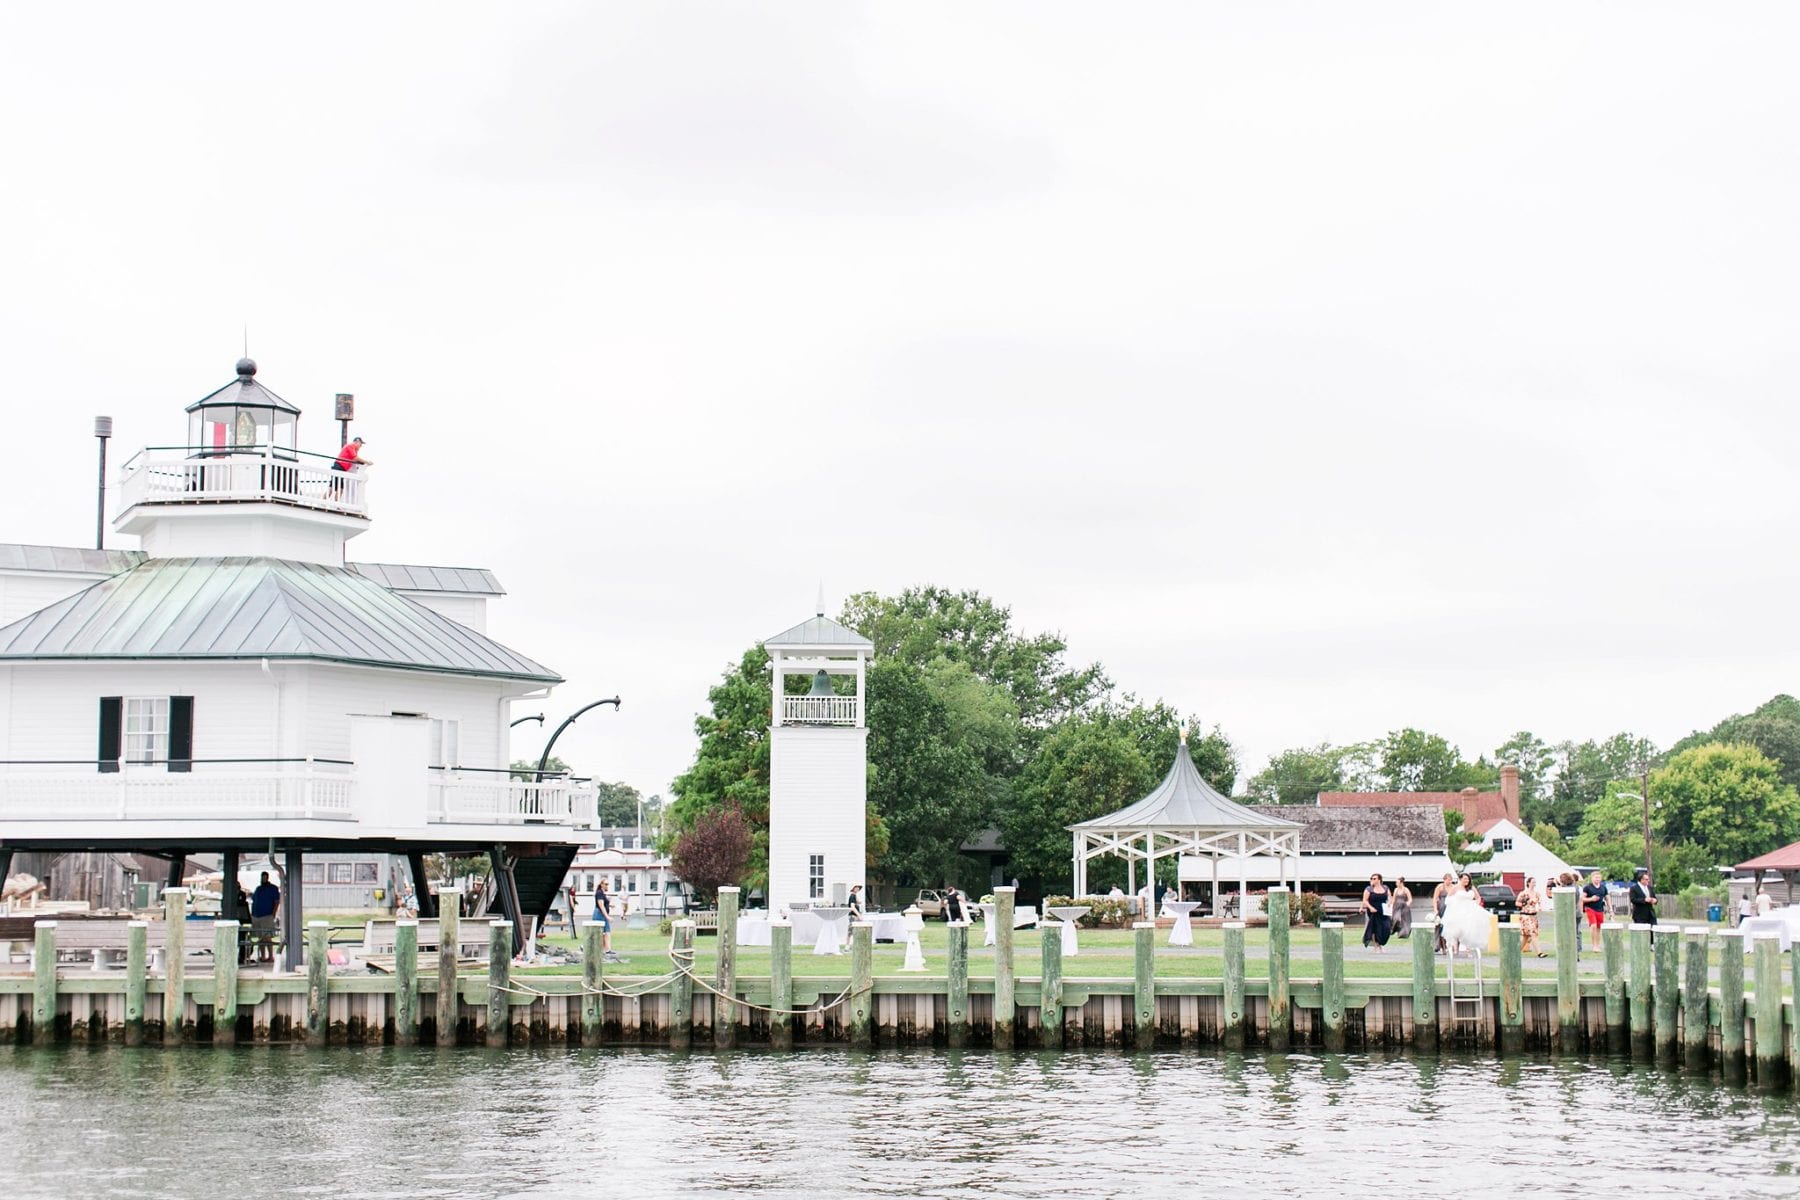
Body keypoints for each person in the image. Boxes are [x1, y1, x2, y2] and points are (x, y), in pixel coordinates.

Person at [249, 871, 281, 963]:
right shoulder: (258, 889)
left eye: (265, 877)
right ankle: (262, 956)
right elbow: (254, 900)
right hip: (256, 915)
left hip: (267, 915)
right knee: (260, 937)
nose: (263, 879)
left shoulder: (273, 888)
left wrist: (273, 913)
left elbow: (276, 901)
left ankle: (270, 956)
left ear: (267, 878)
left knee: (267, 936)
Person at [1360, 873, 1392, 952]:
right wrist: (1370, 907)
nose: (1372, 880)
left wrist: (1389, 903)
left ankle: (1381, 943)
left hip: (1383, 910)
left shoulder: (1385, 888)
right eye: (1371, 878)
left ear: (1379, 880)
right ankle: (1377, 946)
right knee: (1375, 928)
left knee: (1386, 927)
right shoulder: (1369, 889)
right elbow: (1365, 900)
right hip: (1373, 911)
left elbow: (1390, 897)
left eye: (1374, 878)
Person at [593, 881, 622, 964]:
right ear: (601, 884)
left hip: (603, 914)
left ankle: (607, 950)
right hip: (599, 914)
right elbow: (601, 906)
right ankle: (589, 947)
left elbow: (604, 904)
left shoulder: (602, 893)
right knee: (600, 933)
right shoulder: (599, 893)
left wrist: (610, 905)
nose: (607, 886)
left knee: (607, 932)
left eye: (608, 884)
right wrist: (607, 917)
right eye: (606, 884)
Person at [1581, 870, 1608, 951]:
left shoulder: (1603, 887)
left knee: (1599, 927)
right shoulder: (1587, 887)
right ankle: (1594, 945)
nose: (1598, 879)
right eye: (1596, 877)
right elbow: (1583, 898)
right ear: (1592, 878)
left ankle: (1597, 945)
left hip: (1600, 909)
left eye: (1599, 877)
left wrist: (1610, 909)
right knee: (1593, 926)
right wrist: (1591, 899)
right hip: (1590, 908)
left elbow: (1607, 897)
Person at [1518, 876, 1545, 956]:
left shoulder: (1537, 894)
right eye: (1533, 882)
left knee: (1526, 937)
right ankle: (1539, 952)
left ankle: (1515, 951)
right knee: (1533, 934)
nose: (1534, 884)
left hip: (1533, 916)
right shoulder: (1523, 893)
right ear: (1528, 883)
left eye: (1535, 882)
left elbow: (1539, 903)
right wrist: (1524, 903)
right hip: (1526, 916)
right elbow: (1517, 903)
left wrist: (1539, 907)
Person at [1629, 869, 1658, 933]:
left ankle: (1651, 943)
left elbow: (1655, 898)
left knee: (1653, 931)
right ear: (1641, 880)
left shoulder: (1649, 888)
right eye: (1646, 879)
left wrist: (1654, 900)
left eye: (1648, 879)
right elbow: (1633, 899)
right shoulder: (1634, 888)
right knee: (1641, 933)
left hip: (1650, 914)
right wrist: (1644, 900)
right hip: (1639, 914)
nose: (1648, 880)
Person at [1433, 872, 1455, 952]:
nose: (1449, 881)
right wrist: (1435, 909)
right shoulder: (1440, 887)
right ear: (1444, 880)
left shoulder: (1453, 887)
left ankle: (1449, 945)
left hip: (1450, 908)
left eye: (1450, 880)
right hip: (1441, 908)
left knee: (1450, 927)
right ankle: (1437, 945)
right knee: (1438, 927)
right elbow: (1435, 898)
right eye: (1448, 880)